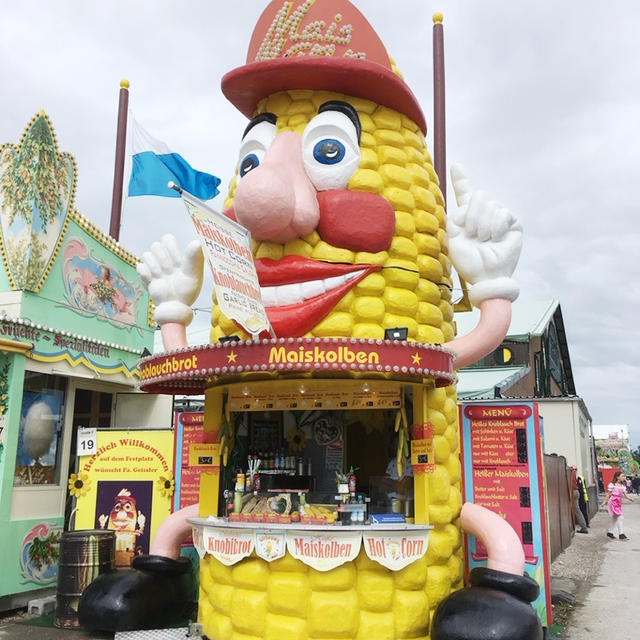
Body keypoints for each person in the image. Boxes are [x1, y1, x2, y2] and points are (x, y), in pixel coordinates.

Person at [601, 470, 634, 540]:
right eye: (622, 476)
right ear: (617, 477)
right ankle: (621, 534)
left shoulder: (623, 485)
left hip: (618, 503)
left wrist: (630, 498)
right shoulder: (612, 484)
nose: (623, 477)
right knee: (620, 517)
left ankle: (610, 532)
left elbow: (625, 494)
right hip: (612, 502)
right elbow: (608, 494)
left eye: (623, 476)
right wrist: (604, 502)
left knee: (615, 518)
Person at [571, 467, 588, 534]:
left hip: (574, 492)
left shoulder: (571, 474)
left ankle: (584, 528)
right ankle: (584, 527)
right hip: (577, 492)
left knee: (577, 511)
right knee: (578, 511)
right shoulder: (576, 475)